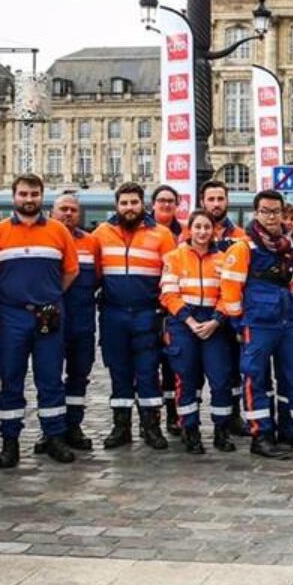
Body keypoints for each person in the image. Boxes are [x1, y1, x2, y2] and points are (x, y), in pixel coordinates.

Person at [219, 190, 293, 457]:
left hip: (288, 320)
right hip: (257, 323)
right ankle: (262, 436)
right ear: (256, 213)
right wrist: (238, 324)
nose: (272, 217)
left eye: (276, 211)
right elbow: (230, 288)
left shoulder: (288, 245)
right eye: (266, 211)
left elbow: (292, 282)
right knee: (256, 378)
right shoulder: (243, 247)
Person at [0, 174, 80, 468]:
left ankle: (54, 437)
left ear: (42, 196)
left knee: (50, 380)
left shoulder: (58, 231)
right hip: (12, 315)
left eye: (34, 194)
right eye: (23, 194)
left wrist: (48, 296)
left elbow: (71, 271)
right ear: (14, 196)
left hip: (48, 313)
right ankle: (10, 442)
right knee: (11, 380)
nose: (29, 199)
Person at [94, 182, 177, 451]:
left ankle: (151, 427)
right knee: (118, 371)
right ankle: (121, 427)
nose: (129, 208)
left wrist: (164, 309)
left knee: (148, 372)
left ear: (143, 205)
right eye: (124, 203)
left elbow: (171, 275)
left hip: (147, 313)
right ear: (116, 206)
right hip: (113, 313)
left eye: (134, 203)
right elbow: (95, 272)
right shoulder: (101, 233)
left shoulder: (162, 234)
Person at [160, 210, 236, 454]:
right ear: (189, 230)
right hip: (184, 323)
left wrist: (215, 320)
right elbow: (169, 294)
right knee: (186, 379)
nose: (203, 232)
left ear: (214, 230)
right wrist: (190, 321)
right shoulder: (174, 257)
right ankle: (189, 430)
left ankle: (221, 431)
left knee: (220, 379)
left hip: (215, 323)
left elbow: (230, 294)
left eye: (207, 227)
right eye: (198, 227)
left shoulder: (224, 259)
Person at [200, 180, 250, 436]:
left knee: (234, 366)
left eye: (221, 199)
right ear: (202, 202)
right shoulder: (193, 232)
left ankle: (233, 415)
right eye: (212, 199)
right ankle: (188, 419)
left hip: (230, 310)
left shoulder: (240, 236)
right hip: (201, 310)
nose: (216, 204)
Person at [51, 193, 98, 451]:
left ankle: (73, 425)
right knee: (50, 377)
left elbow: (98, 277)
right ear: (52, 213)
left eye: (73, 210)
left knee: (79, 376)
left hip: (82, 322)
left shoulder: (91, 243)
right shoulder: (45, 240)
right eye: (63, 209)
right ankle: (52, 429)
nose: (68, 214)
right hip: (53, 321)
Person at [150, 185, 184, 431]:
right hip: (148, 305)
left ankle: (174, 415)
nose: (166, 204)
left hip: (173, 307)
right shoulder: (144, 230)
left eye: (171, 200)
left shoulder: (184, 233)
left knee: (173, 365)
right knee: (148, 365)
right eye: (161, 200)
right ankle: (149, 418)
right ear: (153, 204)